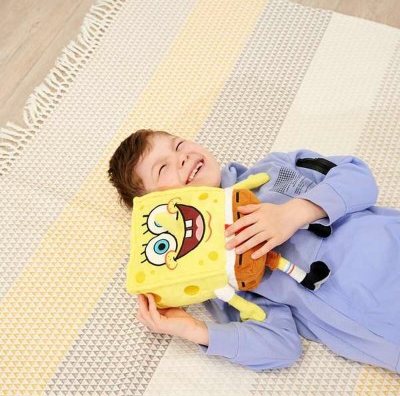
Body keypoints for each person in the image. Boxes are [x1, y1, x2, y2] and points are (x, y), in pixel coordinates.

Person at [108, 129, 400, 372]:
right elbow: (281, 345)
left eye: (179, 144)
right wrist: (193, 330)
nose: (181, 156)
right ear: (155, 209)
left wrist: (296, 212)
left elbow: (357, 176)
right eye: (163, 168)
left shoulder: (273, 172)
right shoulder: (219, 278)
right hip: (385, 324)